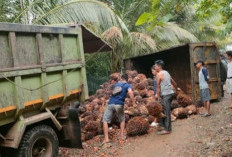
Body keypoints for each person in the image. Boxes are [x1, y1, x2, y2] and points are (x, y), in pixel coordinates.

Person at [102, 73, 135, 145]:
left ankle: (106, 139)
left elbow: (109, 92)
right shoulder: (127, 85)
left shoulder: (116, 84)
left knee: (105, 120)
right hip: (119, 104)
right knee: (122, 120)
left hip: (110, 104)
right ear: (127, 79)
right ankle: (122, 136)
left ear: (121, 78)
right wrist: (133, 102)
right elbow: (130, 92)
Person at [154, 60, 177, 135]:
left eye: (156, 66)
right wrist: (176, 89)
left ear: (159, 66)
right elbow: (173, 81)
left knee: (166, 112)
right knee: (163, 110)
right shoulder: (166, 72)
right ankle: (163, 126)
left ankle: (168, 130)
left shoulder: (159, 74)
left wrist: (158, 96)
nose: (155, 67)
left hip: (166, 95)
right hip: (170, 93)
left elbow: (158, 87)